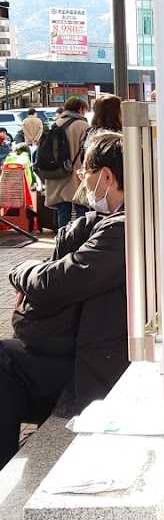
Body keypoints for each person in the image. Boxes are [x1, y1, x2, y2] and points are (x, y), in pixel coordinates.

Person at [0, 130, 128, 471]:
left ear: (106, 176)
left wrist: (21, 271)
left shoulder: (121, 230)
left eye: (85, 174)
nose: (83, 182)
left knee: (4, 362)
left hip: (100, 370)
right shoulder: (117, 222)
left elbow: (57, 281)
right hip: (93, 354)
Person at [42, 95, 89, 229]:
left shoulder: (54, 124)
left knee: (63, 209)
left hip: (57, 172)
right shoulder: (83, 126)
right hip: (77, 173)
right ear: (80, 109)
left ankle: (62, 240)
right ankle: (79, 239)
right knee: (81, 208)